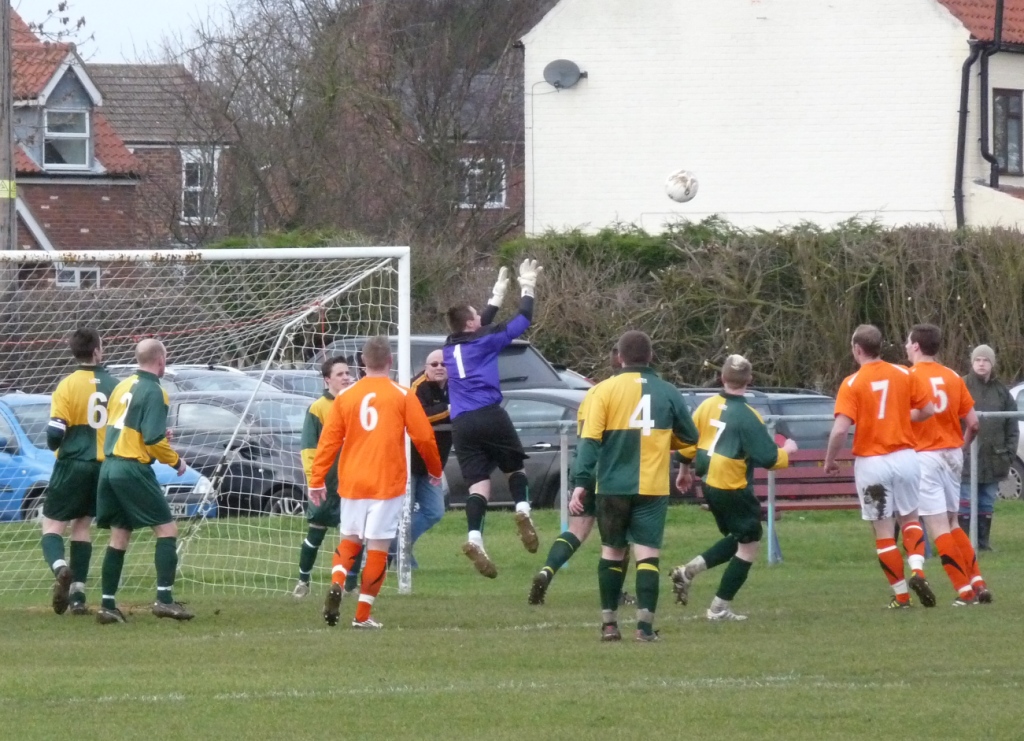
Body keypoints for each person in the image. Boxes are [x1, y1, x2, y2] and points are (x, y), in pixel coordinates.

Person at [569, 330, 699, 642]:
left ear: (620, 357)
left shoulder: (603, 391)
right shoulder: (667, 391)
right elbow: (691, 437)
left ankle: (610, 625)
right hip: (652, 487)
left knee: (612, 552)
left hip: (612, 485)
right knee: (647, 555)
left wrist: (580, 483)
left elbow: (589, 442)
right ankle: (644, 629)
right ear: (650, 357)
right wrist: (665, 440)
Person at [309, 337, 442, 629]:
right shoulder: (402, 394)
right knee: (379, 547)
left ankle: (337, 581)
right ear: (390, 362)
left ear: (362, 364)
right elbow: (423, 437)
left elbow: (329, 441)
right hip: (387, 482)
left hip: (353, 481)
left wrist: (316, 479)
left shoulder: (345, 396)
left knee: (350, 540)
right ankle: (362, 615)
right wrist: (434, 468)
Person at [669, 355, 798, 621]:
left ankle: (688, 572)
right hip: (732, 486)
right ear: (749, 380)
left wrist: (683, 471)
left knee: (740, 537)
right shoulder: (748, 416)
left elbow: (688, 442)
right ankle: (718, 608)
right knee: (749, 544)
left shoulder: (706, 406)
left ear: (722, 378)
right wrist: (788, 450)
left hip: (710, 484)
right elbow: (769, 459)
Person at [823, 324, 936, 609]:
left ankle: (901, 596)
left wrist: (830, 460)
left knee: (883, 531)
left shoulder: (852, 383)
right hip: (905, 458)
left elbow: (839, 430)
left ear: (857, 349)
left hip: (872, 462)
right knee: (910, 519)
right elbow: (928, 410)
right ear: (880, 347)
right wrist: (900, 417)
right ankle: (919, 572)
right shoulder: (903, 372)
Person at [444, 259, 543, 578]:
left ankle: (475, 537)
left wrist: (496, 296)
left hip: (462, 424)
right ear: (471, 325)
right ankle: (523, 511)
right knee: (515, 468)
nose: (479, 318)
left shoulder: (449, 345)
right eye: (476, 315)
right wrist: (527, 286)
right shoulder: (484, 342)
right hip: (488, 414)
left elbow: (478, 324)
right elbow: (523, 319)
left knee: (479, 485)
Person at [94, 339, 193, 624]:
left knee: (120, 534)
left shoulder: (121, 387)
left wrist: (157, 439)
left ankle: (107, 606)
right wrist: (176, 460)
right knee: (167, 529)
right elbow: (151, 440)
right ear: (161, 359)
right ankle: (164, 600)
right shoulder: (156, 392)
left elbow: (129, 429)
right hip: (131, 468)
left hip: (109, 466)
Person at [529, 343, 633, 605]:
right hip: (611, 471)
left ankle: (547, 571)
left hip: (583, 464)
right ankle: (615, 593)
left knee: (577, 529)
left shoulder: (594, 392)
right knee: (618, 539)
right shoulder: (629, 394)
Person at [905, 324, 991, 605]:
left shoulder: (910, 377)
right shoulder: (953, 376)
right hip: (953, 453)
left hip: (926, 456)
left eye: (908, 343)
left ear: (916, 346)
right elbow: (974, 423)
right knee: (953, 521)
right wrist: (962, 445)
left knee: (937, 525)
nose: (906, 347)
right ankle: (978, 583)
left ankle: (963, 592)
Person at [41, 328, 117, 616]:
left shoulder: (67, 385)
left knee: (52, 525)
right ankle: (78, 597)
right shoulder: (116, 386)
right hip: (104, 466)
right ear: (97, 351)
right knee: (83, 526)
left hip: (72, 464)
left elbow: (54, 433)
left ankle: (61, 568)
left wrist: (57, 446)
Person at [292, 356, 361, 598]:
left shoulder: (357, 403)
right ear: (327, 379)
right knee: (316, 532)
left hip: (353, 480)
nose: (345, 377)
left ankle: (351, 585)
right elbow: (309, 449)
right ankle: (303, 581)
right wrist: (315, 481)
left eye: (347, 373)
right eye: (339, 374)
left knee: (356, 534)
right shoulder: (318, 408)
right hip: (326, 483)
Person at [391, 349, 452, 569]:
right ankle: (396, 552)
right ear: (426, 367)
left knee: (434, 511)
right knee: (402, 512)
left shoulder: (455, 385)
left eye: (443, 364)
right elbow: (421, 416)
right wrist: (449, 409)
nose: (439, 368)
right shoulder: (417, 387)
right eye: (433, 364)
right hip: (410, 462)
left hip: (434, 464)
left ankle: (397, 548)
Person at [959, 344, 1018, 552]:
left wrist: (1009, 453)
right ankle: (964, 544)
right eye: (978, 360)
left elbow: (1012, 425)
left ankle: (983, 544)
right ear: (972, 362)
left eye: (985, 360)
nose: (981, 364)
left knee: (986, 503)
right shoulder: (961, 386)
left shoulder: (1002, 392)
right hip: (965, 459)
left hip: (995, 459)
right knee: (965, 501)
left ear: (992, 364)